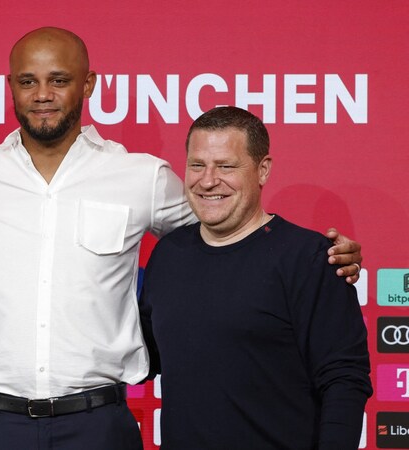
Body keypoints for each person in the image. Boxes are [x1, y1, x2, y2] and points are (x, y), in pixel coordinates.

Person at [0, 27, 363, 450]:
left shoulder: (141, 176)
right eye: (28, 81)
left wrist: (313, 257)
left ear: (88, 84)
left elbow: (228, 224)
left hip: (99, 424)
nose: (43, 94)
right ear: (11, 86)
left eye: (59, 80)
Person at [140, 106, 371, 449]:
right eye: (197, 165)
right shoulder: (168, 254)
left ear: (262, 170)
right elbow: (145, 357)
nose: (207, 180)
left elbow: (344, 378)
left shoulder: (309, 258)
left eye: (226, 166)